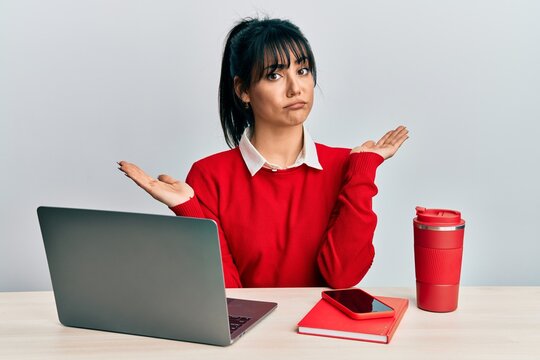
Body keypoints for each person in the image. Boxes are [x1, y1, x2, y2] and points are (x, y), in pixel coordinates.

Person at [118, 17, 408, 289]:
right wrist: (190, 210)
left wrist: (363, 169)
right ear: (243, 90)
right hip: (249, 340)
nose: (296, 88)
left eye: (302, 70)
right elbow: (228, 297)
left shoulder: (347, 166)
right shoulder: (209, 176)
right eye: (274, 75)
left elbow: (342, 277)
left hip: (323, 339)